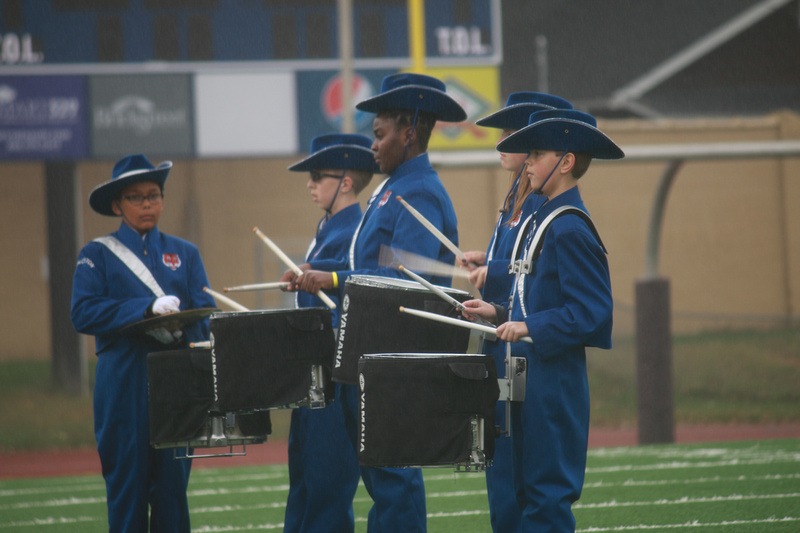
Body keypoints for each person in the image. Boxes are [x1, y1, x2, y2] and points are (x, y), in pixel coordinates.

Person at [283, 72, 466, 533]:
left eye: (380, 135)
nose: (374, 146)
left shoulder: (418, 191)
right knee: (380, 480)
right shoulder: (392, 188)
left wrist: (336, 277)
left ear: (410, 132)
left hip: (395, 360)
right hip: (370, 356)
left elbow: (406, 278)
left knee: (394, 483)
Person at [460, 108, 623, 531]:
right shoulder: (539, 220)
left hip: (551, 385)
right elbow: (534, 299)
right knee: (515, 500)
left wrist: (530, 327)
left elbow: (592, 312)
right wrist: (498, 312)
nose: (526, 162)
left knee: (546, 502)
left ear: (566, 162)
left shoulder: (569, 226)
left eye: (535, 153)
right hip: (521, 379)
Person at [71, 154, 217, 533]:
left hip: (176, 385)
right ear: (118, 205)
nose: (147, 204)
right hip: (123, 383)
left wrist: (184, 329)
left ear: (164, 200)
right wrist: (147, 309)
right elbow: (83, 313)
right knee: (127, 493)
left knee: (172, 495)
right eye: (135, 197)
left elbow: (206, 313)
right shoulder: (96, 254)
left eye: (154, 195)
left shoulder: (186, 253)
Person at [460, 92, 573, 533]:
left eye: (512, 134)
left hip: (529, 358)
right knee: (503, 489)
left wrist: (497, 277)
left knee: (534, 493)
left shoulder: (543, 208)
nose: (501, 142)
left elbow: (541, 283)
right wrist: (489, 276)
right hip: (501, 349)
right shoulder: (513, 199)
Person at [283, 133, 377, 533]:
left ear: (346, 181)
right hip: (310, 376)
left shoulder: (358, 233)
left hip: (336, 374)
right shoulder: (325, 230)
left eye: (318, 175)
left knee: (327, 488)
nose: (310, 183)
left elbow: (367, 287)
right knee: (303, 484)